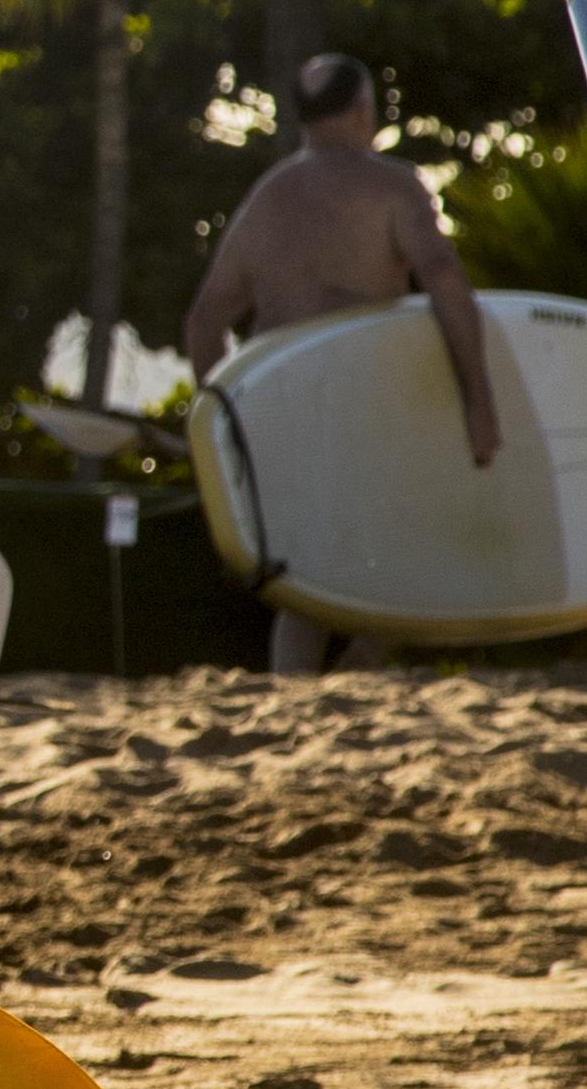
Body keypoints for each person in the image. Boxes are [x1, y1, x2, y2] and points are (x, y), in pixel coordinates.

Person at [178, 51, 504, 673]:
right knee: (402, 567)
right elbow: (445, 283)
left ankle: (300, 709)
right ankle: (352, 677)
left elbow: (203, 323)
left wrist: (228, 430)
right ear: (363, 111)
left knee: (306, 582)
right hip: (363, 408)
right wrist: (478, 400)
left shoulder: (267, 198)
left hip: (283, 416)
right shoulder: (391, 186)